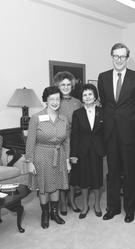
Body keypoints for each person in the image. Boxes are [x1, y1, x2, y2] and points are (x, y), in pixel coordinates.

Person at [98, 43, 135, 223]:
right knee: (113, 171)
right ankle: (113, 207)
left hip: (128, 131)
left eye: (122, 57)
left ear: (127, 58)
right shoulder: (102, 77)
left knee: (129, 171)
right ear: (111, 56)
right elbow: (105, 101)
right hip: (109, 131)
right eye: (116, 56)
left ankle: (130, 209)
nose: (119, 60)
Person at [26, 86, 71, 229]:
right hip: (41, 156)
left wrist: (67, 160)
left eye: (58, 99)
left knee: (56, 184)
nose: (55, 102)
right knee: (44, 186)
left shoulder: (63, 119)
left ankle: (54, 213)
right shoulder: (36, 118)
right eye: (52, 99)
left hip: (59, 155)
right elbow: (31, 141)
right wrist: (29, 161)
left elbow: (67, 142)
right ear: (46, 100)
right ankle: (45, 214)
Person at [70, 84, 105, 219]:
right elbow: (75, 135)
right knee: (84, 179)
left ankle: (96, 205)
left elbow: (105, 133)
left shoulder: (102, 112)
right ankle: (85, 205)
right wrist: (73, 154)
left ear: (95, 96)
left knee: (97, 178)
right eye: (85, 95)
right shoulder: (77, 114)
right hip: (82, 151)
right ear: (82, 98)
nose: (88, 97)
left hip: (98, 150)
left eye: (90, 94)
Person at [53, 71, 83, 215]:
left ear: (72, 85)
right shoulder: (55, 101)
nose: (66, 87)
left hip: (76, 140)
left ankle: (72, 201)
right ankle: (63, 203)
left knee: (74, 173)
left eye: (68, 84)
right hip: (60, 141)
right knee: (63, 173)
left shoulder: (78, 101)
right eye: (62, 84)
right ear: (58, 86)